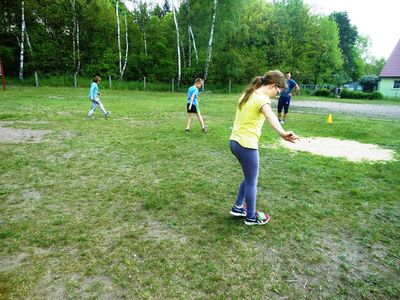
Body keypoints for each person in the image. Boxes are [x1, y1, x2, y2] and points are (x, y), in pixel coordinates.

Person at [229, 70, 299, 225]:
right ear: (273, 86)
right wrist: (282, 133)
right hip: (247, 145)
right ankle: (251, 217)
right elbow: (270, 116)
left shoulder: (248, 94)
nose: (277, 95)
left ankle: (238, 207)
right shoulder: (263, 99)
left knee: (248, 177)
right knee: (252, 180)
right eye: (278, 92)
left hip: (234, 142)